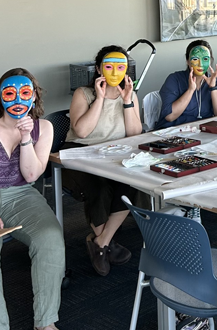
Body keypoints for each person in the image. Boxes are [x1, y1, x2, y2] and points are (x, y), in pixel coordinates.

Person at [0, 68, 63, 330]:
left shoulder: (44, 128)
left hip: (21, 194)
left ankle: (45, 321)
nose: (17, 100)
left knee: (50, 238)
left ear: (34, 97)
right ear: (0, 97)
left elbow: (30, 175)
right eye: (10, 94)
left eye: (25, 93)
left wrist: (26, 137)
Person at [62, 45, 150, 276]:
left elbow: (134, 134)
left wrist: (128, 101)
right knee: (98, 188)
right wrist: (100, 98)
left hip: (114, 153)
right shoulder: (84, 93)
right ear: (99, 69)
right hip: (80, 153)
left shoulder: (130, 95)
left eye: (120, 67)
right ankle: (106, 244)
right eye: (109, 66)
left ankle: (101, 242)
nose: (114, 71)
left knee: (132, 185)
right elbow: (81, 132)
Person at [155, 39, 217, 130]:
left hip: (203, 132)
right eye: (195, 59)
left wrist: (213, 88)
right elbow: (169, 116)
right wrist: (190, 90)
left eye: (205, 59)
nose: (200, 64)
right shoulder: (174, 79)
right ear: (187, 61)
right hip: (173, 132)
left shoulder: (216, 82)